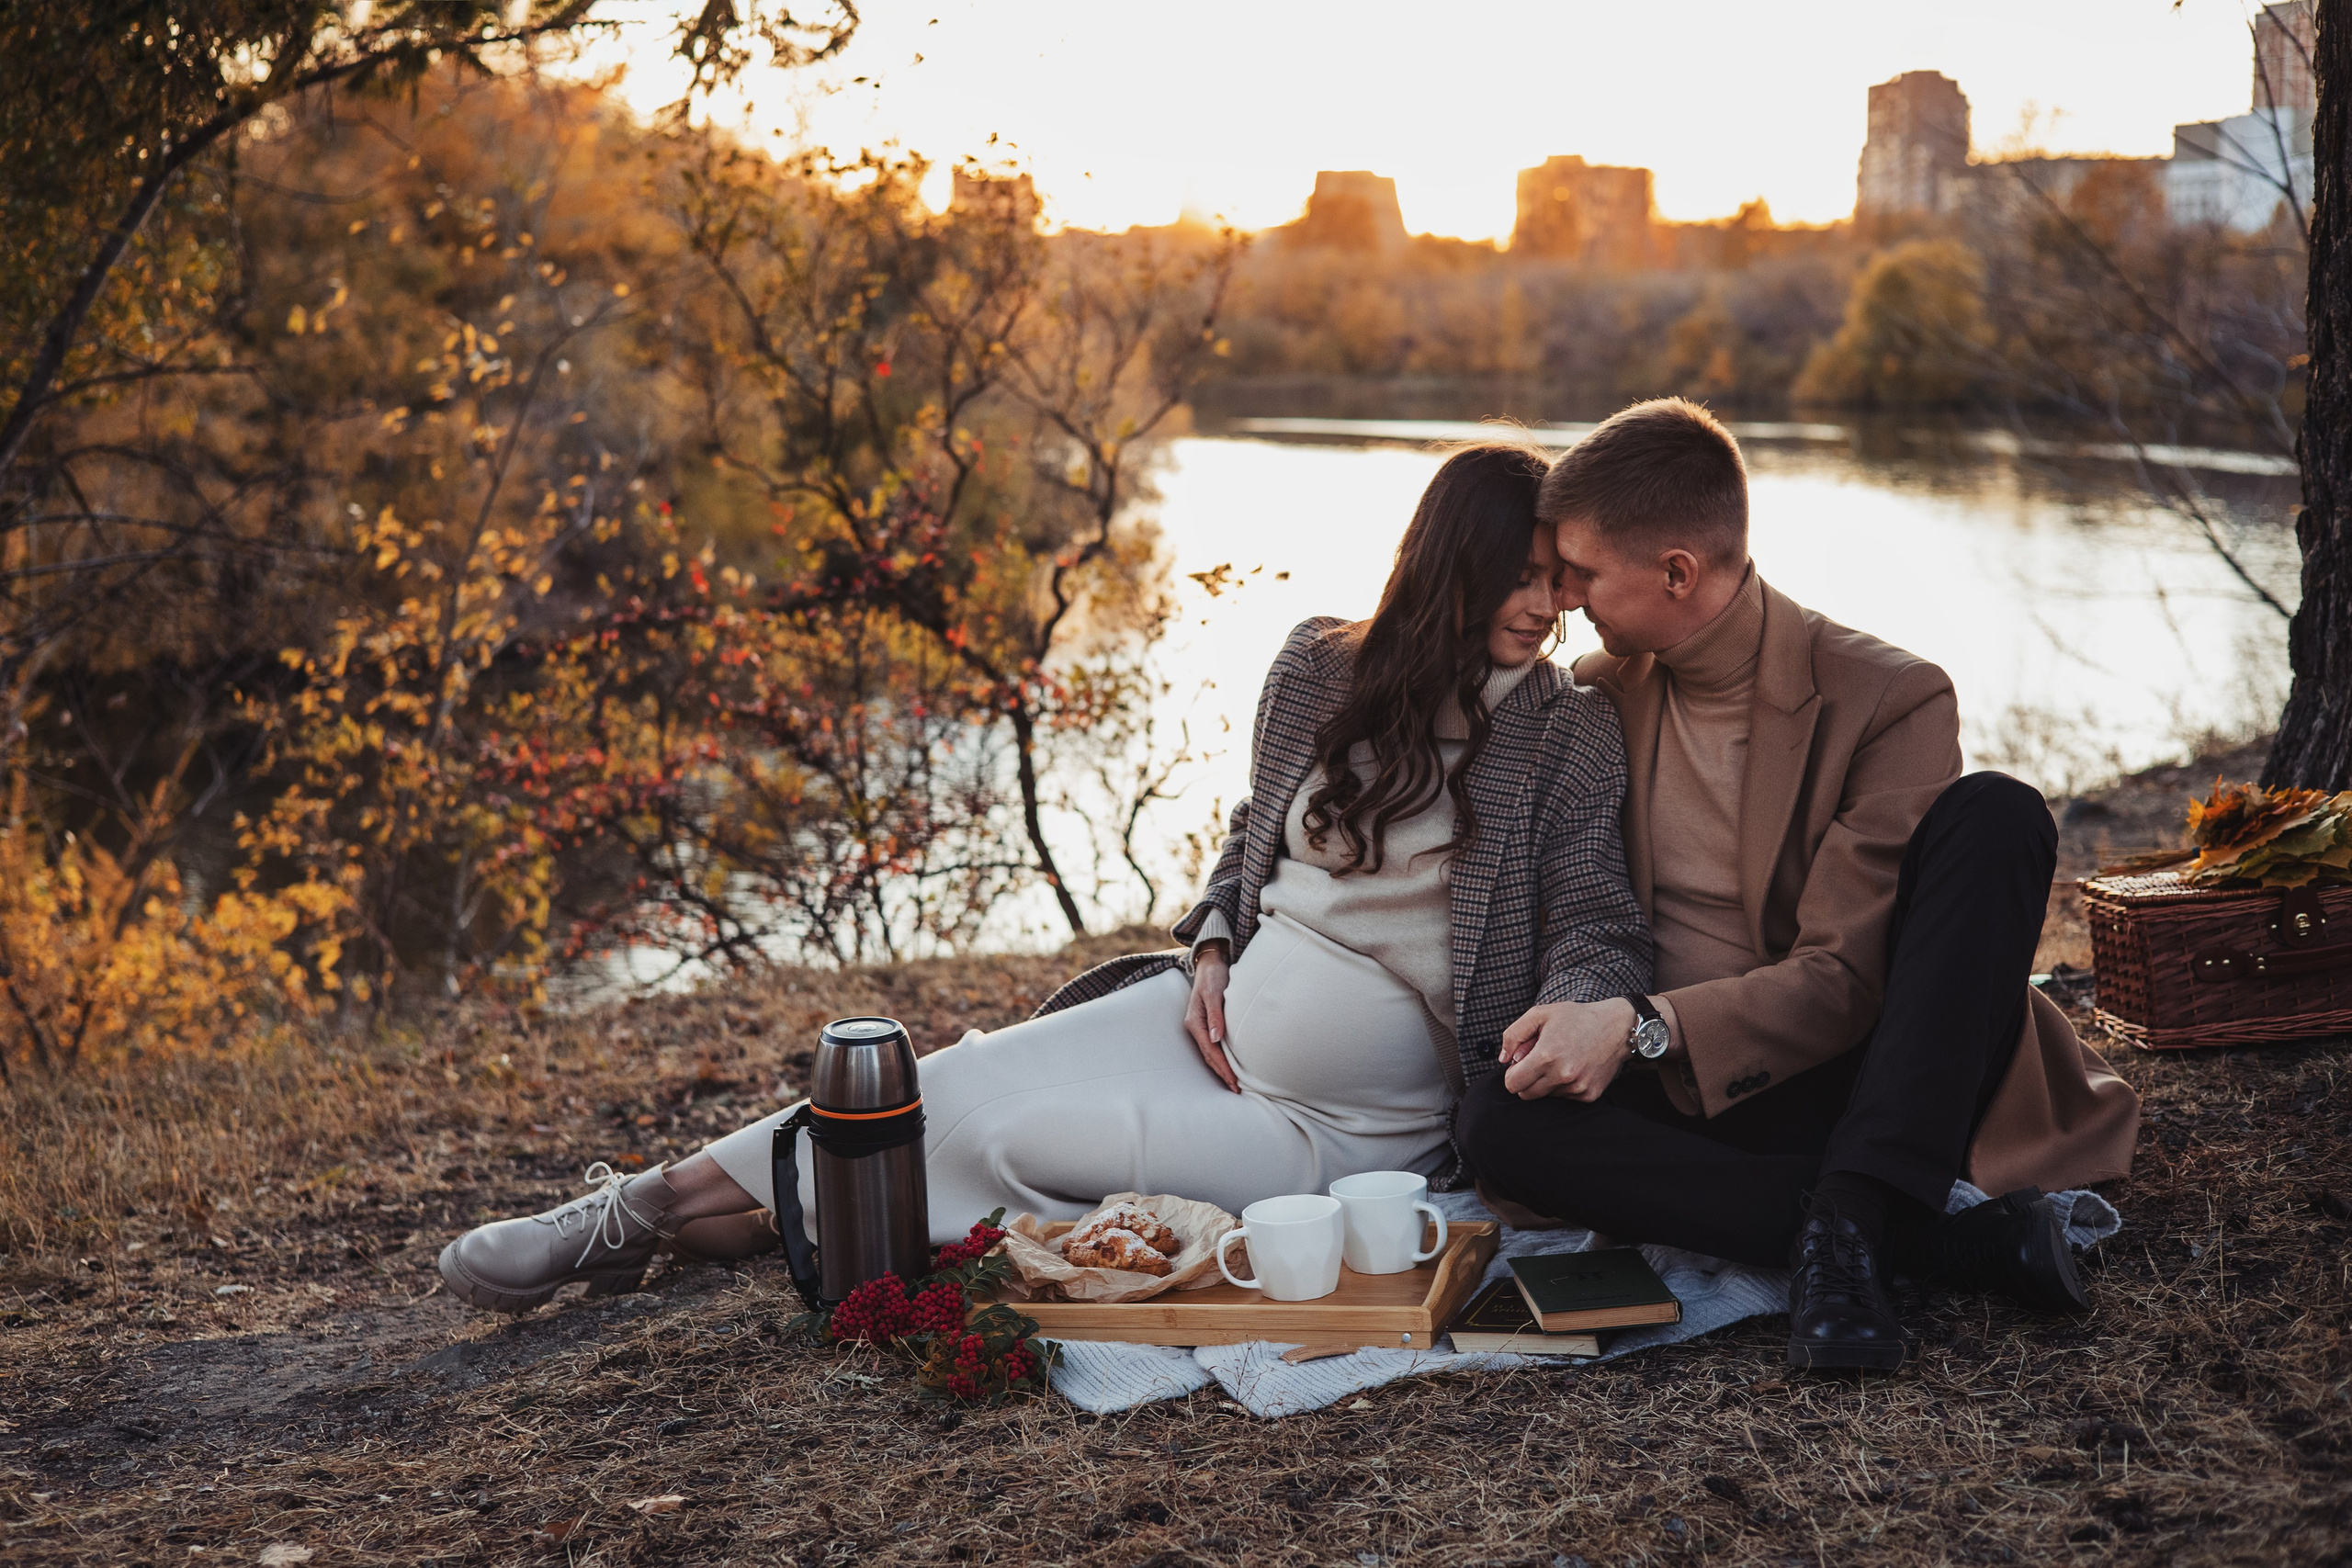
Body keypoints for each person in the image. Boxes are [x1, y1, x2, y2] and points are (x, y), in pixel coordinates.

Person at [438, 441, 1654, 1314]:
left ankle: (763, 1217)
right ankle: (624, 1213)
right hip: (1210, 1031)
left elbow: (1598, 916)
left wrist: (1594, 1006)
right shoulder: (1319, 671)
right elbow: (1247, 843)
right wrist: (1214, 947)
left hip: (1342, 1125)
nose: (1555, 606)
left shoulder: (1562, 730)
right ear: (1457, 560)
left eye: (1565, 579)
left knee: (1018, 1135)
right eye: (1533, 573)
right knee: (946, 1077)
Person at [1455, 399, 2143, 1372]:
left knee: (1996, 810)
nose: (1563, 598)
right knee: (1496, 1119)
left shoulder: (1889, 695)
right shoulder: (1600, 696)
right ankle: (1898, 1235)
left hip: (1882, 1070)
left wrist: (1642, 1021)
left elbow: (1844, 979)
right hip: (1707, 1093)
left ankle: (1857, 1207)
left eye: (1582, 573)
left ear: (1677, 573)